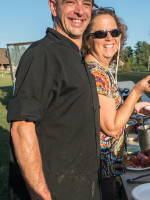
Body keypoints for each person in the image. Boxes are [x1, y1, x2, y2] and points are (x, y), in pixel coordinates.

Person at [7, 0, 102, 200]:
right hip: (55, 191)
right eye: (70, 2)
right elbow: (22, 128)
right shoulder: (44, 53)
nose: (79, 11)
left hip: (81, 187)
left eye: (86, 4)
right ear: (53, 7)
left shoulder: (76, 56)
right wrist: (41, 194)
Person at [82, 7, 150, 200]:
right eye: (101, 33)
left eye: (114, 32)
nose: (110, 38)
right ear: (88, 38)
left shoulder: (100, 68)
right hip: (101, 168)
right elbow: (111, 127)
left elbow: (102, 113)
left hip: (105, 167)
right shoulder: (97, 73)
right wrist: (137, 91)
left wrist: (132, 108)